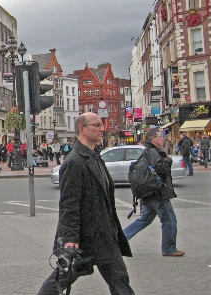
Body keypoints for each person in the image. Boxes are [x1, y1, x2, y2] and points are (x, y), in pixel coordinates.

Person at [37, 113, 134, 295]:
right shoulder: (75, 162)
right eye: (96, 125)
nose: (102, 128)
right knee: (60, 280)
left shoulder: (94, 157)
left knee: (120, 281)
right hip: (85, 238)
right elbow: (69, 205)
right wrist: (70, 239)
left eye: (101, 124)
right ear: (82, 129)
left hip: (104, 236)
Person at [123, 127, 185, 257]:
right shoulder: (153, 152)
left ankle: (120, 240)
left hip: (148, 192)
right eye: (159, 136)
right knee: (169, 219)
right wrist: (168, 160)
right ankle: (169, 248)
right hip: (157, 192)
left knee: (145, 219)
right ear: (153, 139)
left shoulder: (148, 151)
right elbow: (159, 168)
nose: (162, 138)